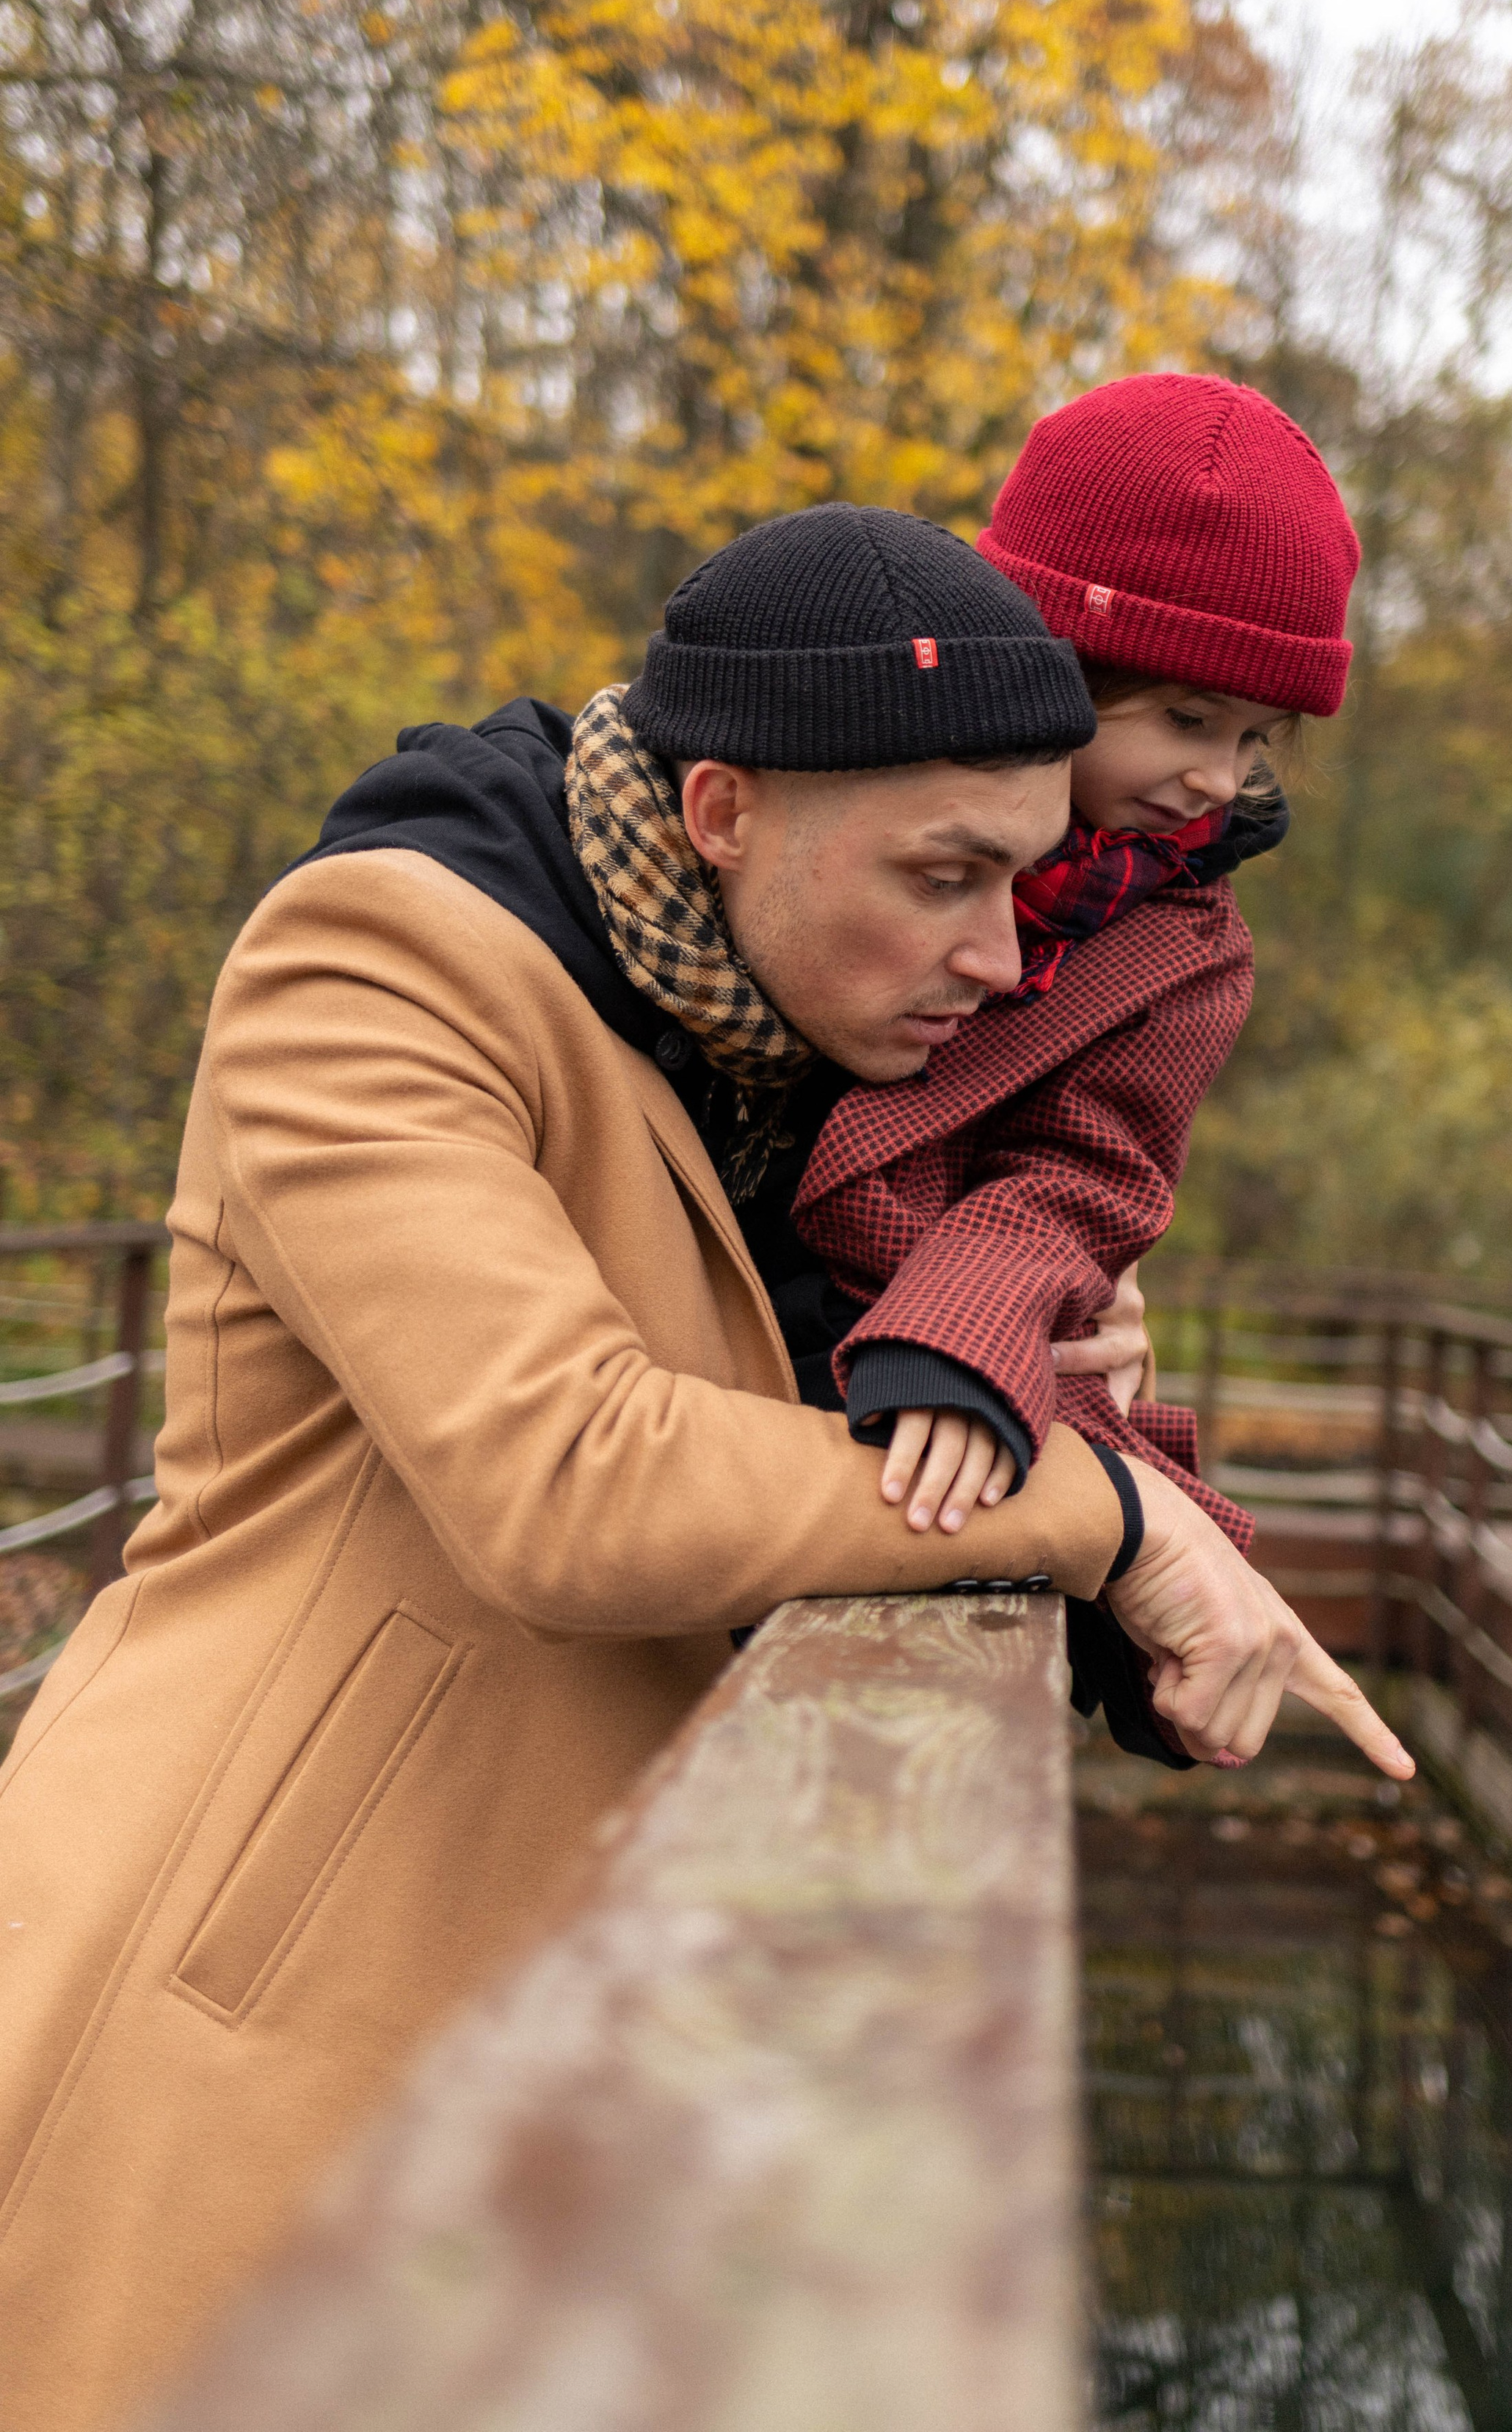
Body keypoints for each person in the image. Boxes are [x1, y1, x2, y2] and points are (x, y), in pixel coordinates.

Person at [0, 503, 1407, 2432]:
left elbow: (904, 1342)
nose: (1000, 955)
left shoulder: (802, 1029)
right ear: (724, 813)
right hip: (241, 2002)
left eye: (1021, 879)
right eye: (942, 877)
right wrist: (1104, 1519)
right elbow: (569, 1481)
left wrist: (1054, 1355)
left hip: (588, 1985)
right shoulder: (378, 970)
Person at [788, 378, 1359, 1685]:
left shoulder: (1181, 941)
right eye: (1186, 719)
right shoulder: (855, 805)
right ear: (1054, 664)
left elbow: (1085, 1173)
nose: (1218, 778)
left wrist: (968, 1326)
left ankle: (1152, 1654)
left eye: (1255, 738)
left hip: (953, 1358)